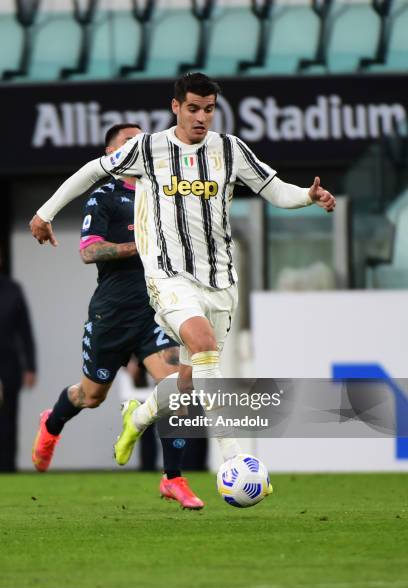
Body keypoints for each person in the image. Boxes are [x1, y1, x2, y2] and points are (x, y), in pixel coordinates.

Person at [30, 72, 336, 469]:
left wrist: (308, 196)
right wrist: (45, 212)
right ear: (176, 107)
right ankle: (234, 459)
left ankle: (137, 419)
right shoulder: (149, 148)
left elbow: (273, 189)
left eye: (208, 110)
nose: (201, 117)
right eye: (193, 108)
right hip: (169, 279)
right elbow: (92, 171)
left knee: (189, 382)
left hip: (221, 281)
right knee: (203, 345)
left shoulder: (229, 149)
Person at [31, 123, 204, 510]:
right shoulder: (104, 195)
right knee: (90, 396)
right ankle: (52, 422)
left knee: (179, 387)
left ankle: (173, 478)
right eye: (130, 141)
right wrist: (140, 245)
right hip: (112, 312)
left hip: (156, 310)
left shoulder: (161, 193)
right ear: (112, 154)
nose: (140, 146)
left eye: (143, 139)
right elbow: (89, 252)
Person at [0, 250, 37, 472]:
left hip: (8, 363)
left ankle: (6, 467)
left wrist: (30, 366)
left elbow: (25, 331)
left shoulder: (13, 290)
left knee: (8, 418)